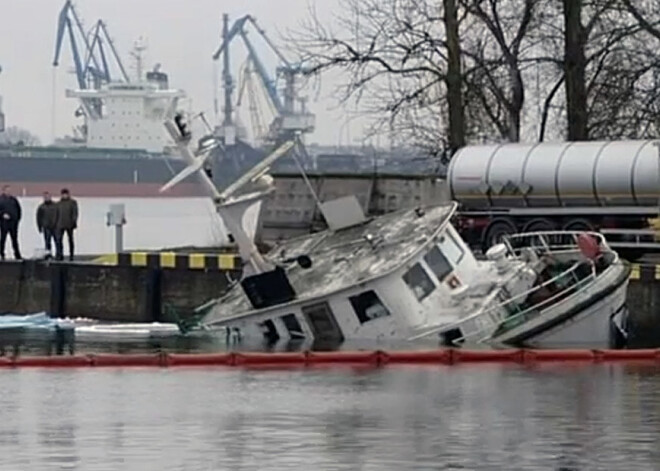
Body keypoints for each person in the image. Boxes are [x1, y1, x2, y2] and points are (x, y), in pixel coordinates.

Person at [55, 188, 78, 261]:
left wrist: (74, 221)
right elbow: (56, 214)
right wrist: (55, 223)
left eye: (66, 194)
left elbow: (75, 213)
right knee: (59, 240)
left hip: (69, 224)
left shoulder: (72, 203)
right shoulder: (58, 204)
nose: (64, 196)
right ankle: (60, 254)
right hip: (60, 225)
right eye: (63, 194)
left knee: (70, 240)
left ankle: (71, 254)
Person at [0, 185, 22, 261]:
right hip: (4, 223)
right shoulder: (1, 200)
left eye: (9, 190)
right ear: (3, 191)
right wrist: (2, 214)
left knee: (14, 240)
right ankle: (2, 254)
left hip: (13, 224)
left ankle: (17, 255)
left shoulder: (14, 200)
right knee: (3, 239)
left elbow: (19, 210)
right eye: (7, 190)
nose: (8, 192)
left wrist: (17, 220)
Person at [36, 191, 59, 257]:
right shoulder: (41, 207)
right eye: (45, 197)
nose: (46, 198)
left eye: (48, 196)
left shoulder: (55, 206)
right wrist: (39, 227)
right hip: (46, 227)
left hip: (55, 226)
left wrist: (58, 224)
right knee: (47, 242)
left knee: (57, 241)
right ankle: (48, 255)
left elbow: (59, 215)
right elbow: (38, 218)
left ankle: (59, 255)